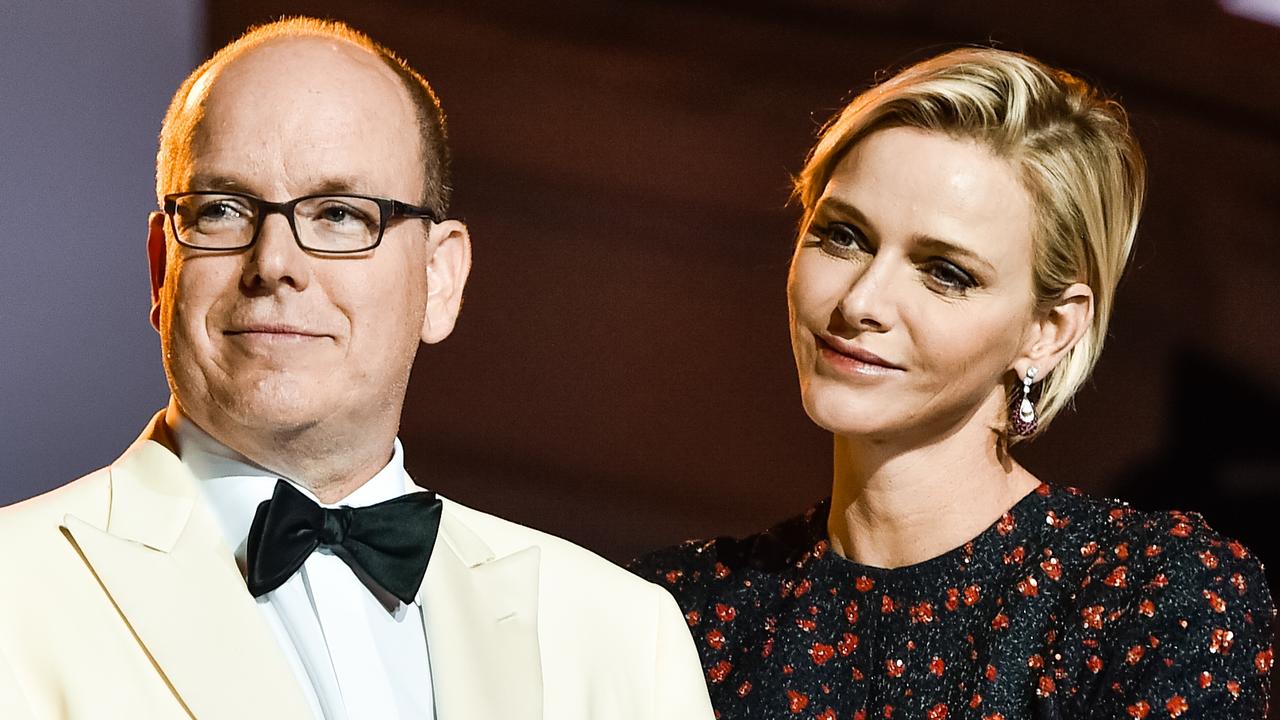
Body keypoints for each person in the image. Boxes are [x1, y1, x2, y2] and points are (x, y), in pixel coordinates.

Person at [0, 17, 713, 720]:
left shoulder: (621, 635)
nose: (274, 264)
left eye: (340, 215)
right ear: (162, 271)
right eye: (222, 209)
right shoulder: (15, 592)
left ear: (440, 280)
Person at [631, 47, 1275, 719]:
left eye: (945, 272)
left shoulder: (1145, 596)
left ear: (1047, 330)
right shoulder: (679, 612)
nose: (861, 302)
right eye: (843, 235)